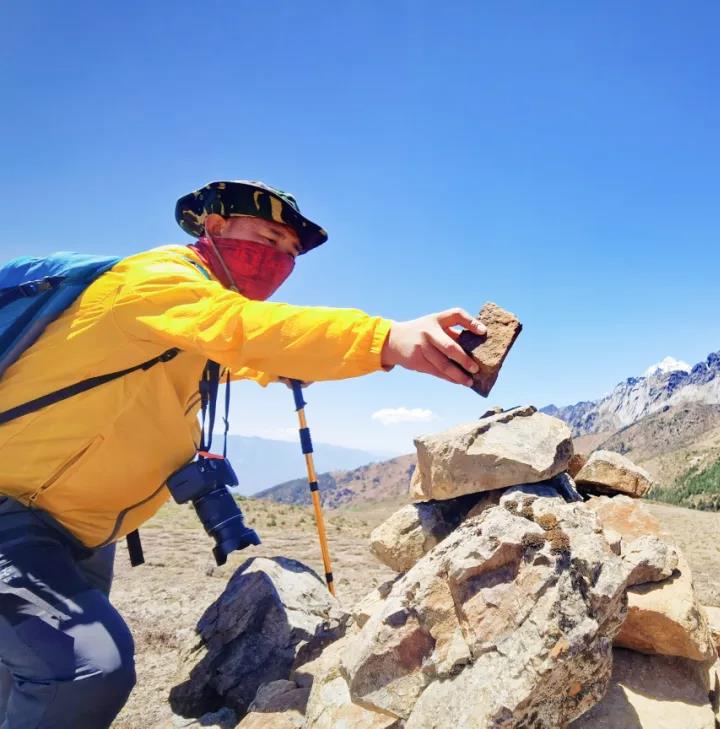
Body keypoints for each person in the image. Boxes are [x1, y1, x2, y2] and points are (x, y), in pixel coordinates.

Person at [0, 180, 485, 728]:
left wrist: (291, 362)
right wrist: (385, 339)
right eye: (269, 236)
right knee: (86, 672)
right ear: (214, 226)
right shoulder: (153, 282)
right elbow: (239, 330)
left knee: (21, 673)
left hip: (82, 531)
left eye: (291, 253)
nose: (279, 258)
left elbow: (235, 352)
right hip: (14, 515)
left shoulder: (186, 319)